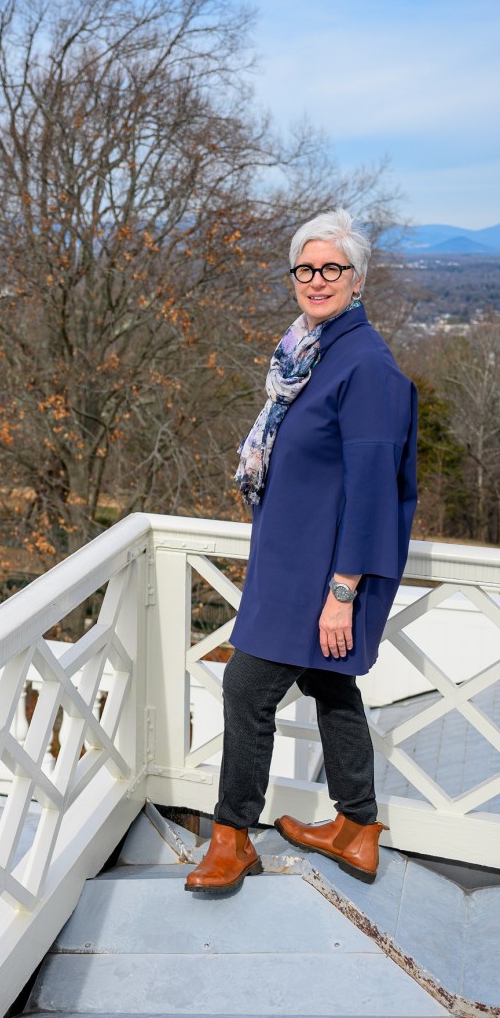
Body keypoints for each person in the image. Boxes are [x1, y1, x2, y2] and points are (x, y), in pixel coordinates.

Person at [186, 209, 418, 896]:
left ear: (358, 278)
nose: (317, 281)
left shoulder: (365, 365)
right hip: (291, 562)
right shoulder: (310, 351)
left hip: (321, 575)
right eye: (306, 269)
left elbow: (374, 491)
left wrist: (343, 592)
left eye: (332, 269)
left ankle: (232, 838)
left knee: (245, 689)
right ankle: (357, 827)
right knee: (327, 682)